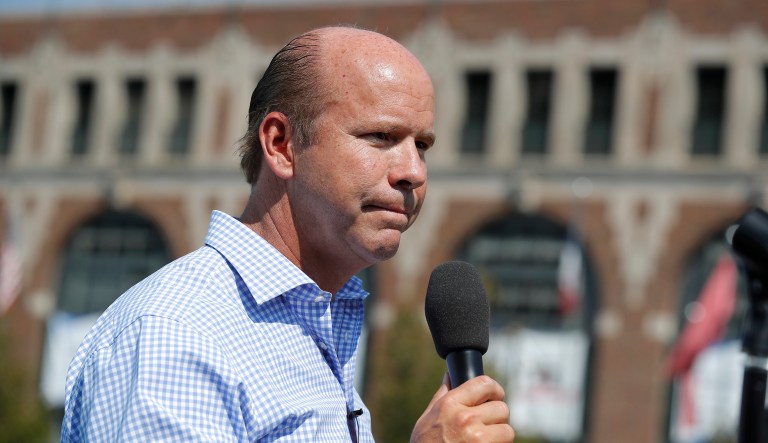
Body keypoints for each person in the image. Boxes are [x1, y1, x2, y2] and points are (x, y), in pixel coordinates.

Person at [61, 26, 514, 442]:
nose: (413, 172)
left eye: (423, 146)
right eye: (380, 136)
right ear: (281, 145)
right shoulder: (180, 332)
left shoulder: (319, 330)